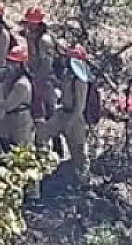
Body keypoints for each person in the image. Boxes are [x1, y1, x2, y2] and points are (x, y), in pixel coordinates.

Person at [35, 44, 93, 172]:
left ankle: (83, 180)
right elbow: (64, 90)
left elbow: (79, 107)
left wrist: (70, 124)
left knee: (78, 153)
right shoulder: (68, 73)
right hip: (62, 113)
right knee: (41, 134)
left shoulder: (81, 81)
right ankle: (43, 164)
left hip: (75, 119)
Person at [19, 7, 57, 122]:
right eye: (29, 22)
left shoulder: (44, 41)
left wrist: (38, 81)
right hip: (32, 74)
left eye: (33, 23)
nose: (30, 25)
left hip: (46, 79)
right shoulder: (29, 34)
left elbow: (47, 65)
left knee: (49, 108)